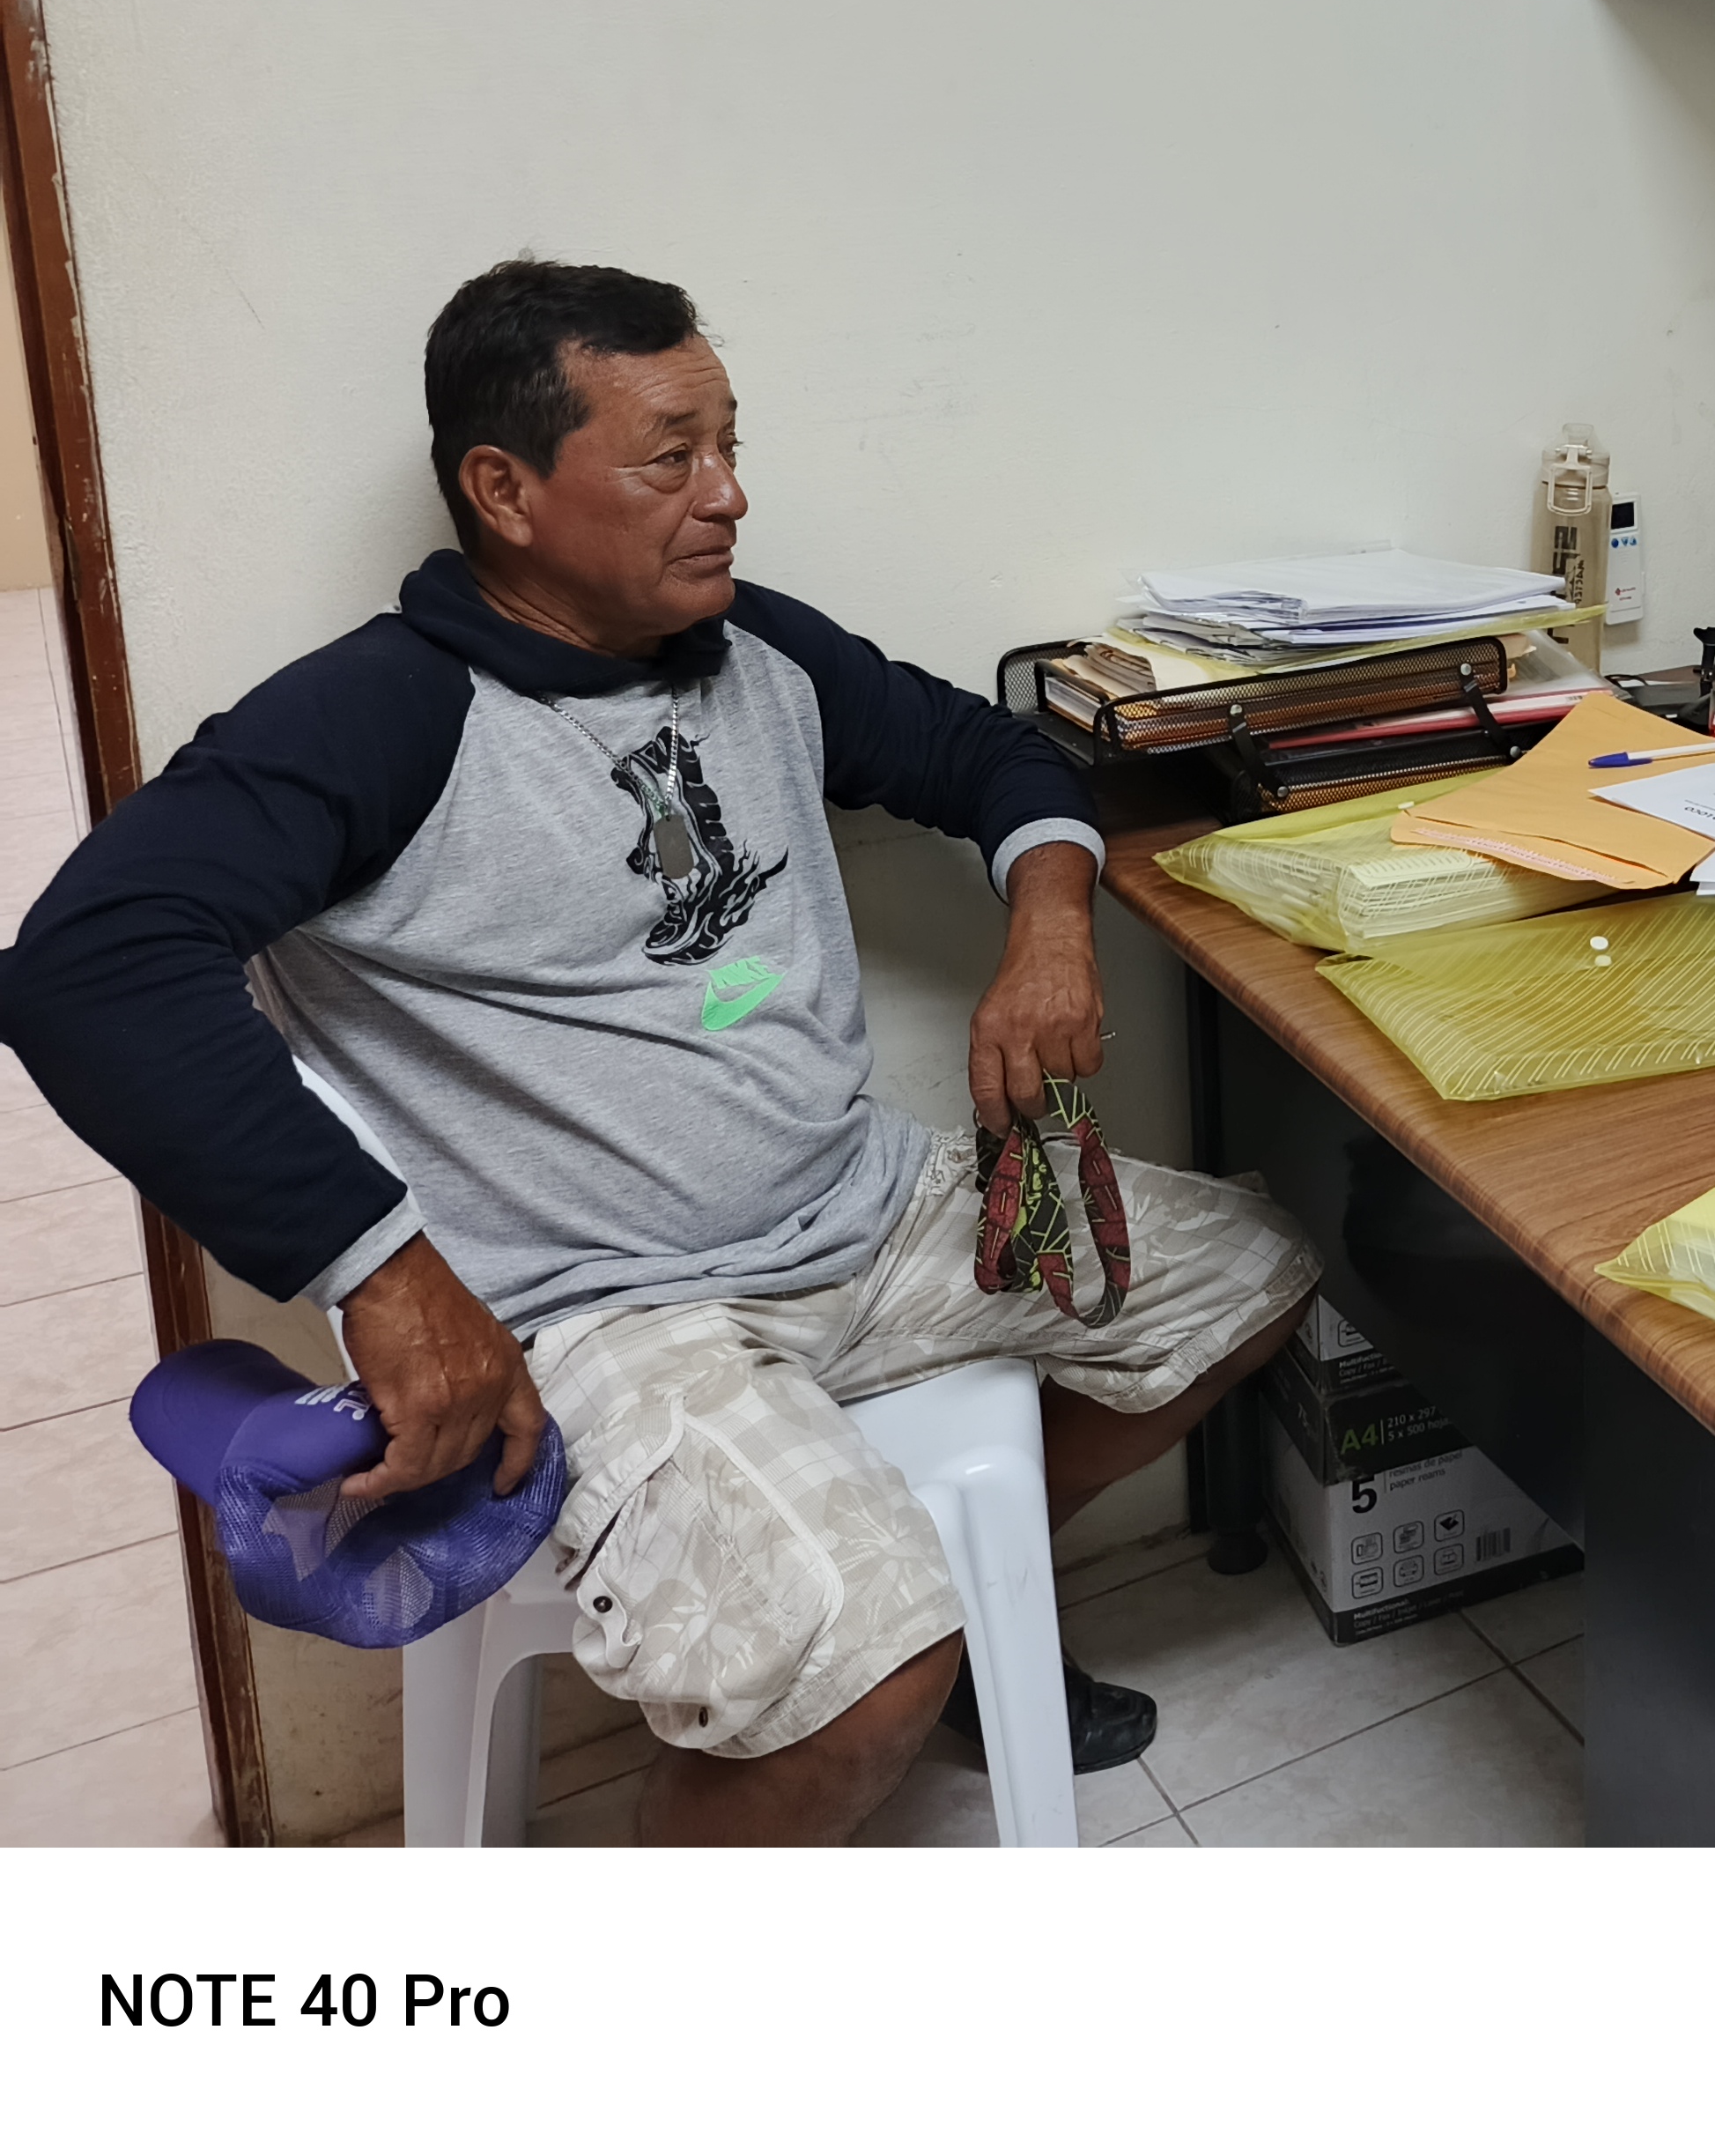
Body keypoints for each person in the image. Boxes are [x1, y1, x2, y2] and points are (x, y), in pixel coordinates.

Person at [0, 261, 1313, 1843]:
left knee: (1249, 1269)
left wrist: (1049, 929)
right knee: (859, 1681)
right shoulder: (378, 715)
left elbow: (984, 750)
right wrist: (385, 1273)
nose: (729, 494)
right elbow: (85, 966)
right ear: (506, 491)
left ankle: (976, 1607)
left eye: (729, 445)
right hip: (610, 1306)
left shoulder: (756, 649)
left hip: (867, 1214)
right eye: (670, 457)